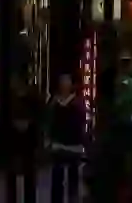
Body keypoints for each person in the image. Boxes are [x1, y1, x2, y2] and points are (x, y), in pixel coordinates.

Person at [46, 73, 85, 203]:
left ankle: (72, 199)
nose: (64, 84)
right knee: (57, 176)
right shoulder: (54, 102)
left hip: (74, 144)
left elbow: (81, 122)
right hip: (58, 144)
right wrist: (48, 139)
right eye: (62, 81)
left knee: (73, 177)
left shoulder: (78, 102)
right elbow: (49, 122)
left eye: (66, 81)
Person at [9, 79, 44, 203]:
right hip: (14, 141)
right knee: (13, 174)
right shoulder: (10, 99)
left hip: (28, 142)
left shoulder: (32, 99)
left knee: (28, 175)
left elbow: (39, 119)